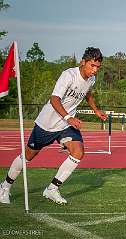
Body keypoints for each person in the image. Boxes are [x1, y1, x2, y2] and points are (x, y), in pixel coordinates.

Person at [0, 47, 107, 205]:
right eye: (92, 65)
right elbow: (54, 99)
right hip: (47, 124)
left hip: (65, 125)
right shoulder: (68, 75)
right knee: (28, 156)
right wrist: (68, 117)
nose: (95, 70)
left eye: (98, 67)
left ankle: (51, 189)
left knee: (78, 152)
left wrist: (96, 110)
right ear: (83, 62)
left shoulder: (91, 79)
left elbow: (87, 93)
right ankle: (5, 187)